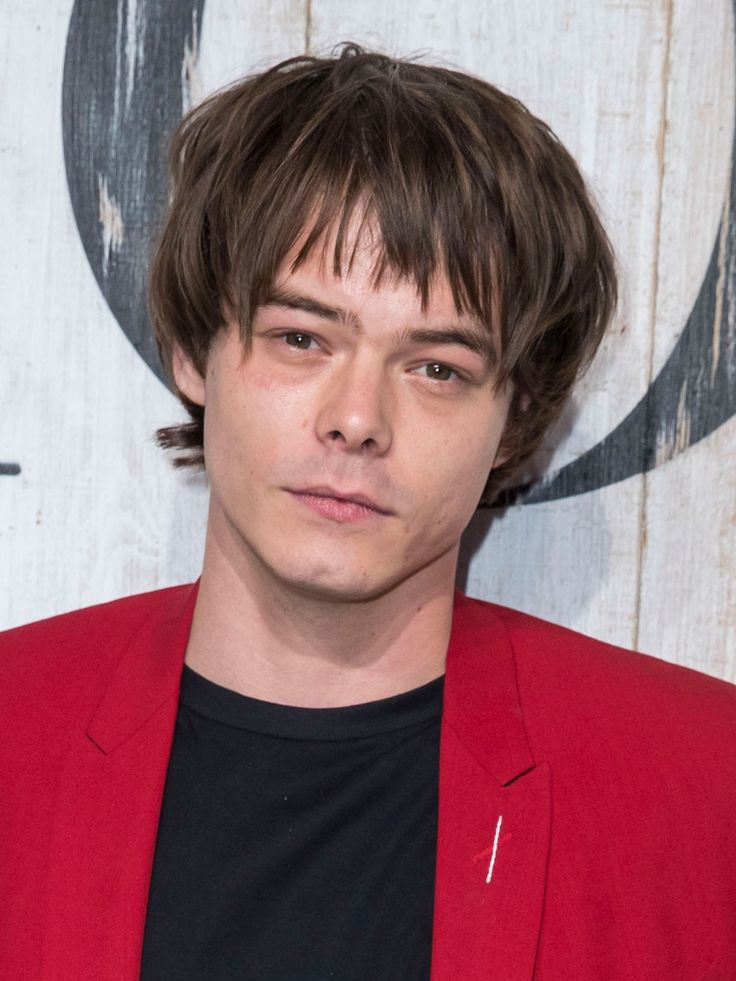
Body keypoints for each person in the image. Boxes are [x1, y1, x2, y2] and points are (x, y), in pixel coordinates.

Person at [1, 44, 734, 981]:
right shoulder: (13, 734)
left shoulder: (705, 789)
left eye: (436, 368)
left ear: (516, 418)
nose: (356, 419)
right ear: (192, 349)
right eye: (301, 338)